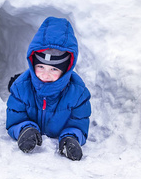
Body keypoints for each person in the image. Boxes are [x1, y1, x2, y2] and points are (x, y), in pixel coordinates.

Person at [6, 16, 91, 161]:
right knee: (20, 82)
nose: (45, 74)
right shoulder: (21, 89)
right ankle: (18, 77)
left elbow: (78, 123)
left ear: (65, 71)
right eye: (40, 67)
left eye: (53, 69)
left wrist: (71, 138)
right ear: (33, 63)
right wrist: (25, 129)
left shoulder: (78, 94)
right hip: (25, 84)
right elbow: (15, 119)